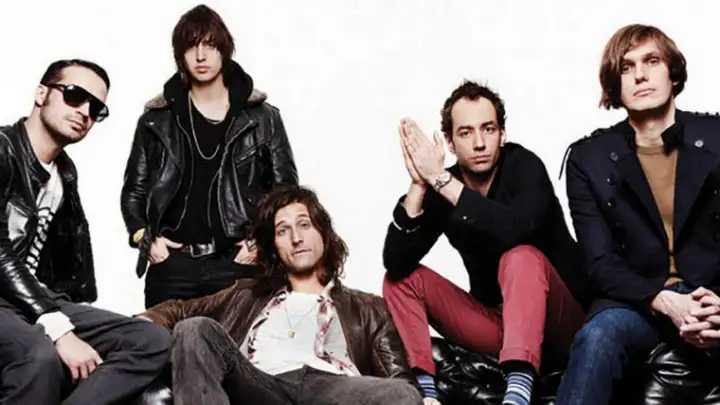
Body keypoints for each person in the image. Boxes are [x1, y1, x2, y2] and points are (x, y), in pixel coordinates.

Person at [382, 80, 588, 405]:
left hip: (562, 324)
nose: (479, 143)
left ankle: (517, 395)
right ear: (449, 143)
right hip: (501, 327)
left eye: (488, 129)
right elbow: (395, 262)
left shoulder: (524, 166)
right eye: (465, 133)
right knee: (400, 281)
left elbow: (515, 230)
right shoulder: (442, 185)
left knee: (520, 256)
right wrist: (420, 184)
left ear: (502, 134)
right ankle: (425, 393)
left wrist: (441, 180)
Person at [140, 184, 427, 405]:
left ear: (324, 234)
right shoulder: (245, 295)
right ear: (274, 247)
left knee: (402, 395)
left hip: (330, 388)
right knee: (193, 328)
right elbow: (179, 311)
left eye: (304, 225)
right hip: (261, 386)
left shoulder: (369, 308)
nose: (296, 238)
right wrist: (138, 326)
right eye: (282, 231)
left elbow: (400, 379)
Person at [557, 24, 720, 405]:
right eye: (626, 67)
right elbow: (599, 262)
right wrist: (665, 301)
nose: (640, 75)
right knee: (598, 337)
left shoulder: (716, 136)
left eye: (652, 61)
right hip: (640, 303)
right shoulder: (588, 158)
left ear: (672, 73)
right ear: (615, 85)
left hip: (715, 293)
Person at [0, 59, 170, 405]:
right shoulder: (3, 150)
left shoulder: (64, 174)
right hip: (7, 296)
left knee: (151, 340)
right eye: (74, 95)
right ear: (41, 94)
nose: (84, 112)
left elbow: (65, 265)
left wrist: (61, 313)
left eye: (96, 108)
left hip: (30, 298)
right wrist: (58, 328)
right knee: (40, 356)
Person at [121, 4, 298, 308]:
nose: (201, 56)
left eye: (210, 45)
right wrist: (144, 239)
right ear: (180, 55)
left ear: (225, 50)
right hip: (173, 267)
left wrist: (262, 242)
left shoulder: (262, 118)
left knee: (239, 340)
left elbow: (286, 192)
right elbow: (134, 191)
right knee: (164, 339)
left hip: (240, 263)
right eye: (191, 47)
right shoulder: (156, 121)